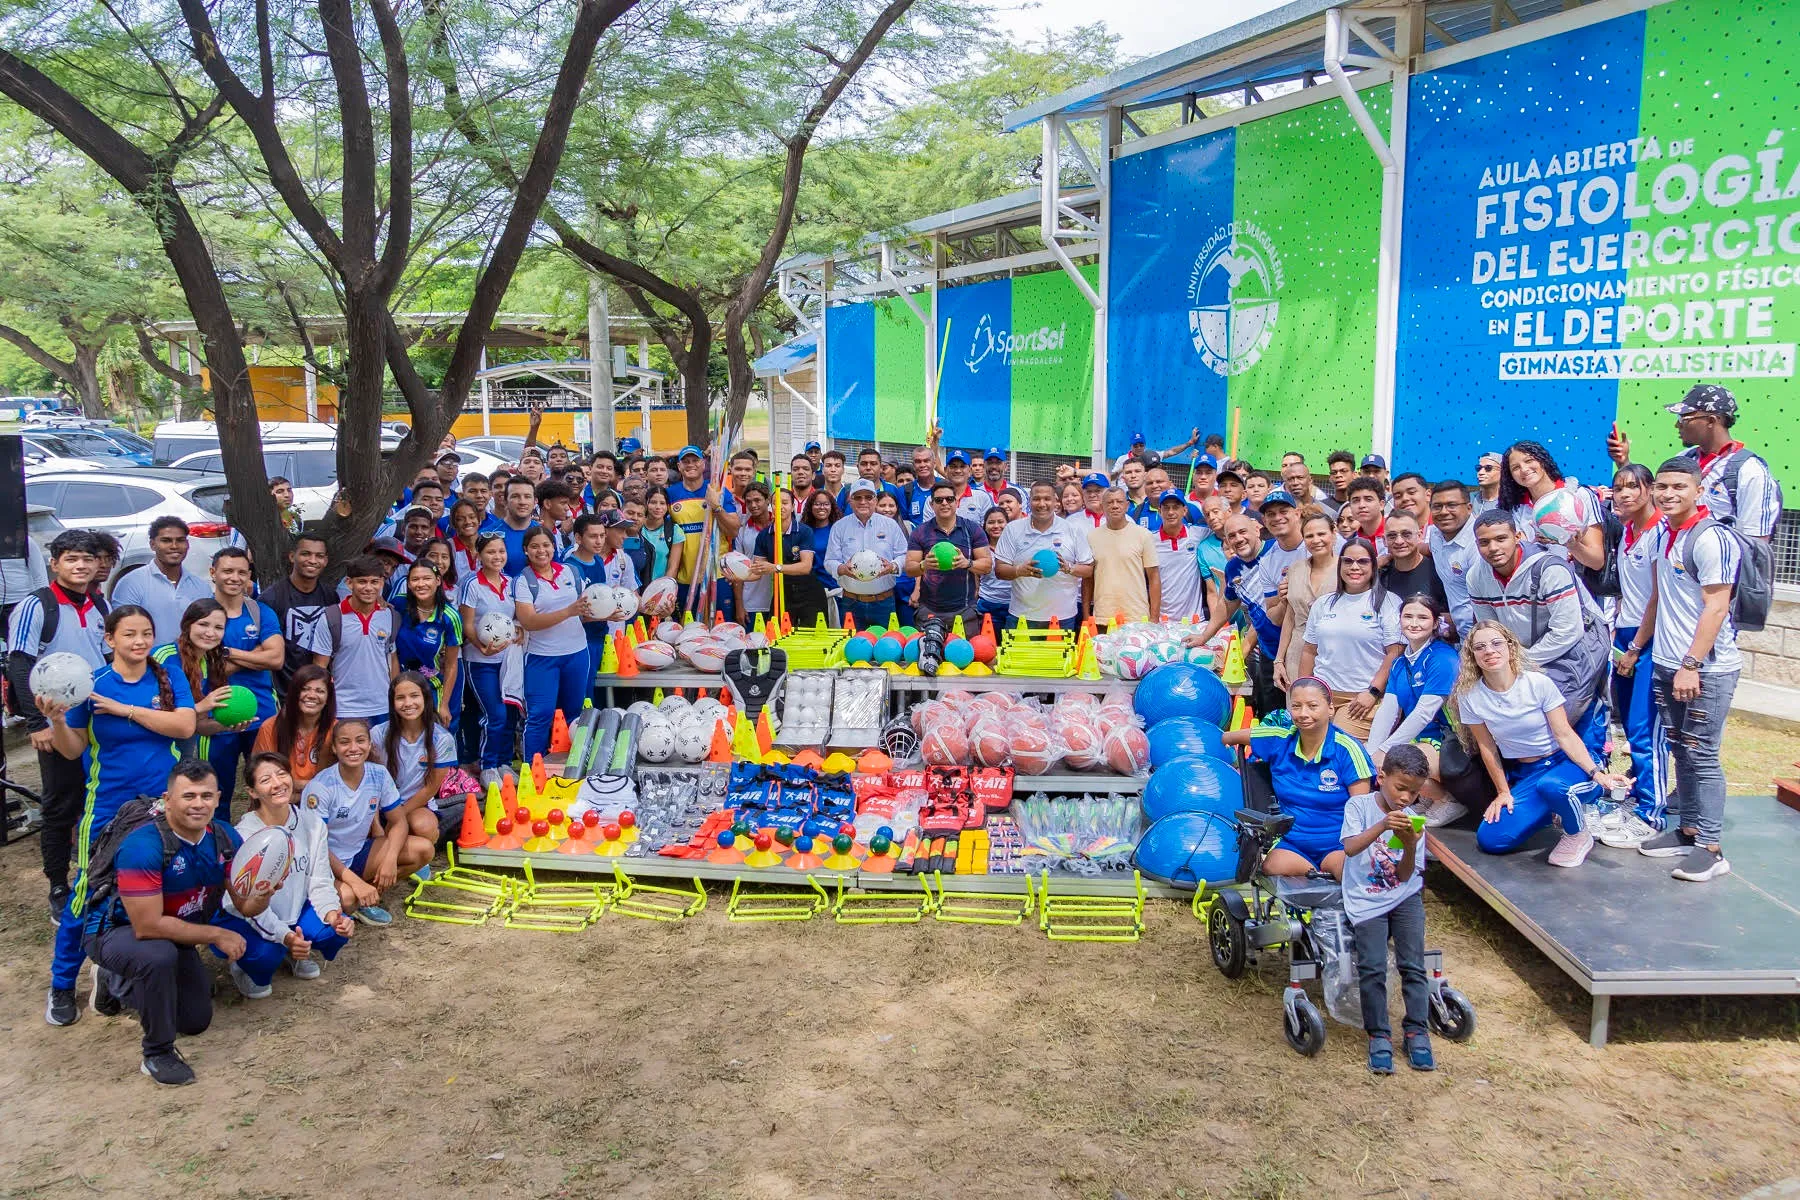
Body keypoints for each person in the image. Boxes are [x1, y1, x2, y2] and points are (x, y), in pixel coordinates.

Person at [39, 604, 198, 1027]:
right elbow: (72, 750)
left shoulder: (167, 677)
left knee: (159, 888)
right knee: (87, 893)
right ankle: (61, 985)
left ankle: (119, 970)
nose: (140, 641)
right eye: (129, 634)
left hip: (161, 806)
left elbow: (185, 726)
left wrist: (125, 710)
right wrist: (58, 722)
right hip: (107, 807)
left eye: (146, 633)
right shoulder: (90, 685)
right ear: (109, 639)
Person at [80, 760, 262, 1085]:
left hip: (174, 931)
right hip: (116, 930)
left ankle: (114, 982)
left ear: (218, 798)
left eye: (206, 796)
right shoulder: (143, 846)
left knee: (194, 1020)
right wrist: (216, 934)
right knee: (157, 957)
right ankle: (157, 1053)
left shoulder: (224, 837)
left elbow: (244, 905)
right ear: (167, 799)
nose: (198, 804)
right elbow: (147, 926)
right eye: (188, 796)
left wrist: (265, 890)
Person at [1635, 457, 1743, 883]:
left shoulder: (1711, 538)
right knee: (1680, 749)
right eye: (1662, 486)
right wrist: (1638, 648)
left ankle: (1711, 849)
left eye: (1679, 486)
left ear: (1699, 491)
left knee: (1703, 756)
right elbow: (1659, 598)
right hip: (1666, 663)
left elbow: (1716, 607)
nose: (1668, 494)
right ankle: (1689, 830)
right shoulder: (1665, 533)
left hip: (1704, 670)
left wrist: (1690, 665)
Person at [1453, 621, 1628, 867]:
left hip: (1564, 762)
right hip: (1530, 772)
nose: (1489, 651)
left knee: (1553, 786)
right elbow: (1487, 747)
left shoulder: (1537, 683)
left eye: (1496, 643)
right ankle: (1554, 809)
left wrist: (1597, 774)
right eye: (1480, 647)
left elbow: (1565, 735)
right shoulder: (1470, 696)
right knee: (1492, 839)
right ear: (1472, 655)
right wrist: (1503, 792)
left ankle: (1578, 832)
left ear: (1510, 647)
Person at [7, 529, 110, 919]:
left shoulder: (100, 605)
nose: (81, 566)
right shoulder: (37, 606)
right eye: (71, 559)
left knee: (94, 796)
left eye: (88, 559)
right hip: (58, 720)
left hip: (96, 717)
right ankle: (57, 884)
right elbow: (20, 664)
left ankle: (98, 871)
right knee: (60, 803)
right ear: (54, 564)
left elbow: (107, 659)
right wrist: (37, 723)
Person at [215, 754, 354, 999]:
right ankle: (245, 966)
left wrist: (333, 914)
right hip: (247, 916)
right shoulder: (242, 835)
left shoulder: (312, 824)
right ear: (252, 792)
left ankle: (293, 949)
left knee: (333, 931)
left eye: (282, 774)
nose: (277, 783)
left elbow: (320, 879)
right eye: (265, 780)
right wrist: (285, 936)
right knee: (266, 956)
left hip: (293, 910)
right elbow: (246, 905)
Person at [1465, 510, 1609, 742]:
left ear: (1518, 536)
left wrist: (1520, 662)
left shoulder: (1549, 569)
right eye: (1484, 542)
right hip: (1523, 656)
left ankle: (1592, 759)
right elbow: (1490, 630)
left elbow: (1568, 631)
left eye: (1501, 539)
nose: (1493, 548)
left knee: (1561, 723)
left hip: (1574, 651)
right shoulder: (1476, 576)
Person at [1340, 743, 1434, 1075]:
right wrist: (1382, 826)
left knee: (1413, 965)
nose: (1406, 798)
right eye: (1400, 788)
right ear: (1381, 777)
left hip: (1404, 896)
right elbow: (1351, 849)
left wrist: (1409, 845)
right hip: (1366, 900)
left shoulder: (1414, 822)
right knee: (1373, 967)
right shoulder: (1359, 806)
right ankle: (1378, 1034)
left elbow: (1406, 875)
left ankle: (1417, 1030)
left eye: (1414, 792)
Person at [1223, 676, 1373, 880]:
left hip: (1339, 844)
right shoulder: (1279, 738)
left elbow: (1362, 810)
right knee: (1272, 866)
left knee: (1350, 874)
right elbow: (1228, 737)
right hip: (1293, 845)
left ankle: (1321, 876)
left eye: (1312, 706)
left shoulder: (1348, 749)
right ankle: (1316, 875)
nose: (1303, 714)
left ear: (1330, 709)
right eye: (1296, 706)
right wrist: (1226, 743)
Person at [1594, 463, 1670, 850]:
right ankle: (1637, 798)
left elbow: (1657, 597)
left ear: (1650, 489)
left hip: (1648, 639)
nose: (1624, 494)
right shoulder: (1626, 531)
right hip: (1624, 634)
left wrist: (1637, 647)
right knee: (1626, 724)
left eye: (1633, 487)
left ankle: (1651, 815)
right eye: (1618, 487)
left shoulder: (1660, 532)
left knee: (1643, 729)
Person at [1365, 595, 1462, 825]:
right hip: (1419, 740)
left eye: (1422, 617)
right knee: (1368, 753)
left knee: (1397, 763)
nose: (1414, 623)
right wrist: (1372, 752)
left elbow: (1424, 713)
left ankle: (1448, 800)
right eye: (1408, 616)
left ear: (1436, 623)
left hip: (1449, 741)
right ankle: (1428, 796)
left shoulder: (1443, 657)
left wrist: (1385, 750)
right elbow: (1388, 710)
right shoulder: (1400, 663)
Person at [301, 718, 406, 925]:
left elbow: (399, 821)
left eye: (360, 740)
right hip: (322, 863)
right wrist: (355, 882)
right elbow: (316, 847)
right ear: (334, 748)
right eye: (344, 742)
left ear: (369, 744)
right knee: (348, 898)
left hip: (356, 852)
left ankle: (367, 895)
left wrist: (390, 860)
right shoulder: (320, 787)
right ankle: (357, 898)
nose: (353, 748)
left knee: (421, 850)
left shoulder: (379, 774)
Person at [1300, 536, 1402, 741]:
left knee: (1338, 746)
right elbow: (1309, 650)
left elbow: (1395, 653)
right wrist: (1302, 691)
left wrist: (1373, 692)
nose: (1354, 567)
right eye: (1348, 561)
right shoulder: (1323, 603)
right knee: (1309, 750)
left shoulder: (1389, 602)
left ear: (1373, 566)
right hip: (1321, 695)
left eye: (1362, 561)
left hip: (1362, 698)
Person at [205, 547, 282, 800]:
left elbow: (276, 658)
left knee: (267, 788)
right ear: (213, 573)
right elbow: (210, 671)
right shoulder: (202, 613)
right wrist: (257, 653)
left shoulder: (260, 612)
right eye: (227, 571)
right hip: (216, 717)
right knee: (216, 793)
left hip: (262, 714)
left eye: (241, 572)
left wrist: (228, 653)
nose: (234, 578)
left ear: (249, 576)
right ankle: (219, 827)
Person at [511, 526, 592, 761]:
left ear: (554, 547)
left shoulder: (570, 572)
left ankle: (573, 766)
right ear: (526, 550)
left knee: (575, 714)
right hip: (542, 658)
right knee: (540, 715)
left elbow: (584, 611)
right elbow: (529, 621)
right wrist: (568, 611)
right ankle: (532, 769)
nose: (541, 551)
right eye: (534, 546)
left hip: (577, 654)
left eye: (546, 545)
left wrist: (608, 613)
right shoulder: (523, 581)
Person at [373, 672, 468, 853]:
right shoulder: (378, 734)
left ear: (425, 698)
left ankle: (418, 858)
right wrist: (377, 823)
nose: (408, 703)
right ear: (392, 702)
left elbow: (430, 788)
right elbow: (370, 783)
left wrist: (397, 817)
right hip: (379, 806)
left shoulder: (442, 738)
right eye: (400, 698)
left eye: (414, 696)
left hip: (416, 804)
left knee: (424, 826)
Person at [303, 555, 399, 725]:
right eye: (362, 582)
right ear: (349, 583)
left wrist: (396, 696)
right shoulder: (331, 617)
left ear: (382, 583)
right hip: (343, 708)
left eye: (374, 582)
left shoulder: (390, 616)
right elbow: (319, 667)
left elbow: (392, 658)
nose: (368, 588)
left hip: (383, 706)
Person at [455, 532, 520, 776]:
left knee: (510, 712)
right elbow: (467, 623)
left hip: (508, 660)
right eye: (490, 552)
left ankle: (504, 762)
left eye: (501, 551)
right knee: (495, 714)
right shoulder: (472, 584)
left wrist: (520, 629)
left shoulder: (511, 582)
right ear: (478, 555)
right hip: (480, 660)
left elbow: (517, 617)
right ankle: (487, 765)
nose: (497, 556)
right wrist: (481, 646)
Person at [1498, 441, 1606, 573]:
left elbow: (1597, 561)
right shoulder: (1516, 508)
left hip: (1574, 582)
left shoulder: (1577, 495)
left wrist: (1572, 546)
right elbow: (1517, 561)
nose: (1524, 469)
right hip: (1534, 582)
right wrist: (1534, 543)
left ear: (1542, 461)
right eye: (1515, 468)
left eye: (1529, 460)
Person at [110, 517, 213, 644]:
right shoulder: (131, 583)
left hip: (191, 656)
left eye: (180, 540)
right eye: (166, 541)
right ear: (152, 544)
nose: (174, 546)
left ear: (187, 544)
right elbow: (124, 632)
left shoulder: (201, 587)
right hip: (146, 656)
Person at [905, 479, 992, 626]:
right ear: (932, 505)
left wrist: (967, 563)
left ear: (957, 502)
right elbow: (909, 569)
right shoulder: (920, 532)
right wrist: (923, 565)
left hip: (965, 610)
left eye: (949, 499)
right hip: (929, 610)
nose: (944, 503)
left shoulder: (972, 529)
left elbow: (987, 565)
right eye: (939, 500)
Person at [825, 479, 908, 629]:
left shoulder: (890, 525)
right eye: (858, 497)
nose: (863, 502)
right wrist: (841, 568)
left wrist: (893, 566)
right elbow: (830, 560)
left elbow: (904, 555)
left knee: (886, 644)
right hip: (851, 603)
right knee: (851, 644)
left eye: (868, 497)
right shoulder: (839, 527)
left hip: (884, 603)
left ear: (875, 500)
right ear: (850, 501)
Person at [391, 559, 463, 728]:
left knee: (432, 736)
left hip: (431, 687)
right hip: (399, 686)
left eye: (427, 578)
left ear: (438, 580)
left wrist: (444, 704)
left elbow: (452, 665)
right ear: (408, 584)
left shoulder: (450, 617)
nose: (421, 584)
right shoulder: (398, 604)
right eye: (415, 579)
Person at [260, 532, 332, 692]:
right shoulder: (271, 598)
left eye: (319, 556)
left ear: (325, 561)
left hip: (317, 689)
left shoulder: (330, 596)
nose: (312, 560)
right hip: (282, 689)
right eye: (306, 554)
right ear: (292, 556)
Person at [1275, 510, 1338, 688]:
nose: (1316, 540)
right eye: (1309, 536)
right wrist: (1279, 660)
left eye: (1321, 534)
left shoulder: (1346, 569)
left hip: (1334, 653)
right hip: (1297, 651)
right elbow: (1290, 617)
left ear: (1333, 533)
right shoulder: (1295, 569)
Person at [750, 483, 826, 629]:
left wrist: (775, 568)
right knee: (777, 634)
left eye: (785, 503)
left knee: (810, 637)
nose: (780, 507)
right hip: (782, 592)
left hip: (809, 592)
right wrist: (738, 575)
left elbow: (805, 567)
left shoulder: (804, 531)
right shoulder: (764, 535)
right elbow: (757, 571)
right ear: (770, 506)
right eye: (775, 503)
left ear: (792, 506)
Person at [252, 664, 337, 784]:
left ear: (328, 698)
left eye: (320, 691)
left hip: (324, 794)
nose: (311, 696)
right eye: (305, 689)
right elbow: (262, 775)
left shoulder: (336, 729)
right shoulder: (271, 727)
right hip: (280, 793)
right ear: (294, 693)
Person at [1087, 487, 1160, 624]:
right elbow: (1088, 579)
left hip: (1137, 616)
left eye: (1119, 502)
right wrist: (1086, 615)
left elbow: (1154, 577)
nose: (1115, 506)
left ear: (1127, 506)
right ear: (1102, 507)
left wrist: (1155, 617)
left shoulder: (1143, 535)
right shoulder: (1092, 537)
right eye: (1109, 502)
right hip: (1103, 616)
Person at [1150, 488, 1213, 623]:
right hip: (1162, 621)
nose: (1171, 512)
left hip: (1194, 620)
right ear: (1159, 511)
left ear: (1184, 510)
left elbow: (1223, 530)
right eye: (1166, 508)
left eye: (1176, 507)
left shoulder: (1198, 534)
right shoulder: (1150, 540)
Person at [1426, 481, 1479, 636]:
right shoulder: (1435, 534)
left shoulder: (1479, 542)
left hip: (1482, 635)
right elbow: (1426, 549)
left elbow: (1487, 599)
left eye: (1452, 505)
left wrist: (1476, 637)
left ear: (1469, 508)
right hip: (1460, 633)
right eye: (1437, 506)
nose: (1444, 512)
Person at [1379, 511, 1447, 609]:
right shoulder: (1380, 575)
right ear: (1384, 540)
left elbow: (1450, 614)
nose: (1399, 541)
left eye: (1406, 534)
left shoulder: (1439, 572)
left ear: (1419, 536)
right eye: (1392, 536)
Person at [976, 507, 1014, 623]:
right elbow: (975, 578)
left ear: (1008, 524)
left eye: (1000, 522)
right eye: (991, 522)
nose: (996, 526)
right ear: (984, 526)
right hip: (987, 604)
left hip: (1014, 605)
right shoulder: (979, 549)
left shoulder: (1016, 547)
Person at [941, 450, 993, 525]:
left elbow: (988, 528)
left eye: (962, 466)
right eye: (953, 466)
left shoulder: (982, 498)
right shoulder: (935, 499)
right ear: (945, 470)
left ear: (970, 471)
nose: (958, 470)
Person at [1340, 477, 1387, 557]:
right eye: (1356, 500)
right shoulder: (1349, 542)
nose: (1361, 505)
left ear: (1381, 505)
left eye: (1368, 499)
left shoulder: (1395, 532)